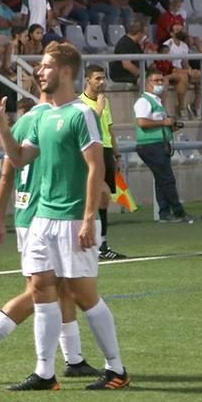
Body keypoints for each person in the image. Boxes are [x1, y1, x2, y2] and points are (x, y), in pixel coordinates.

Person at [0, 42, 130, 391]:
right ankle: (45, 373)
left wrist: (87, 218)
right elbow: (19, 159)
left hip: (71, 218)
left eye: (46, 66)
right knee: (40, 289)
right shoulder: (44, 115)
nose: (39, 71)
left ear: (65, 72)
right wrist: (2, 125)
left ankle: (117, 370)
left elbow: (96, 167)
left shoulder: (81, 114)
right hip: (42, 219)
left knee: (83, 293)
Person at [0, 92, 101, 385]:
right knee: (43, 289)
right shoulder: (54, 117)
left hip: (34, 214)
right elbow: (10, 171)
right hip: (42, 214)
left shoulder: (27, 121)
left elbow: (8, 174)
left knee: (63, 286)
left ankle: (73, 358)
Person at [79, 65, 127, 260]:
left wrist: (117, 156)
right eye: (97, 78)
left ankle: (100, 244)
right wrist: (97, 110)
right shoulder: (80, 104)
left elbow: (109, 130)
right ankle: (98, 245)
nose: (102, 82)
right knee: (101, 195)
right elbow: (86, 127)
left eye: (103, 78)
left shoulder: (104, 102)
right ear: (87, 80)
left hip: (105, 151)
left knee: (104, 200)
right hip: (91, 151)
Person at [134, 69, 194, 223]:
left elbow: (153, 123)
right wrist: (164, 123)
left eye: (161, 80)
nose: (160, 83)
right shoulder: (144, 101)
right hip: (150, 145)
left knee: (161, 179)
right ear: (147, 83)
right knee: (167, 179)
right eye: (156, 81)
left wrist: (169, 127)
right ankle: (178, 211)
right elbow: (141, 122)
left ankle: (165, 212)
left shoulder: (156, 101)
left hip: (158, 143)